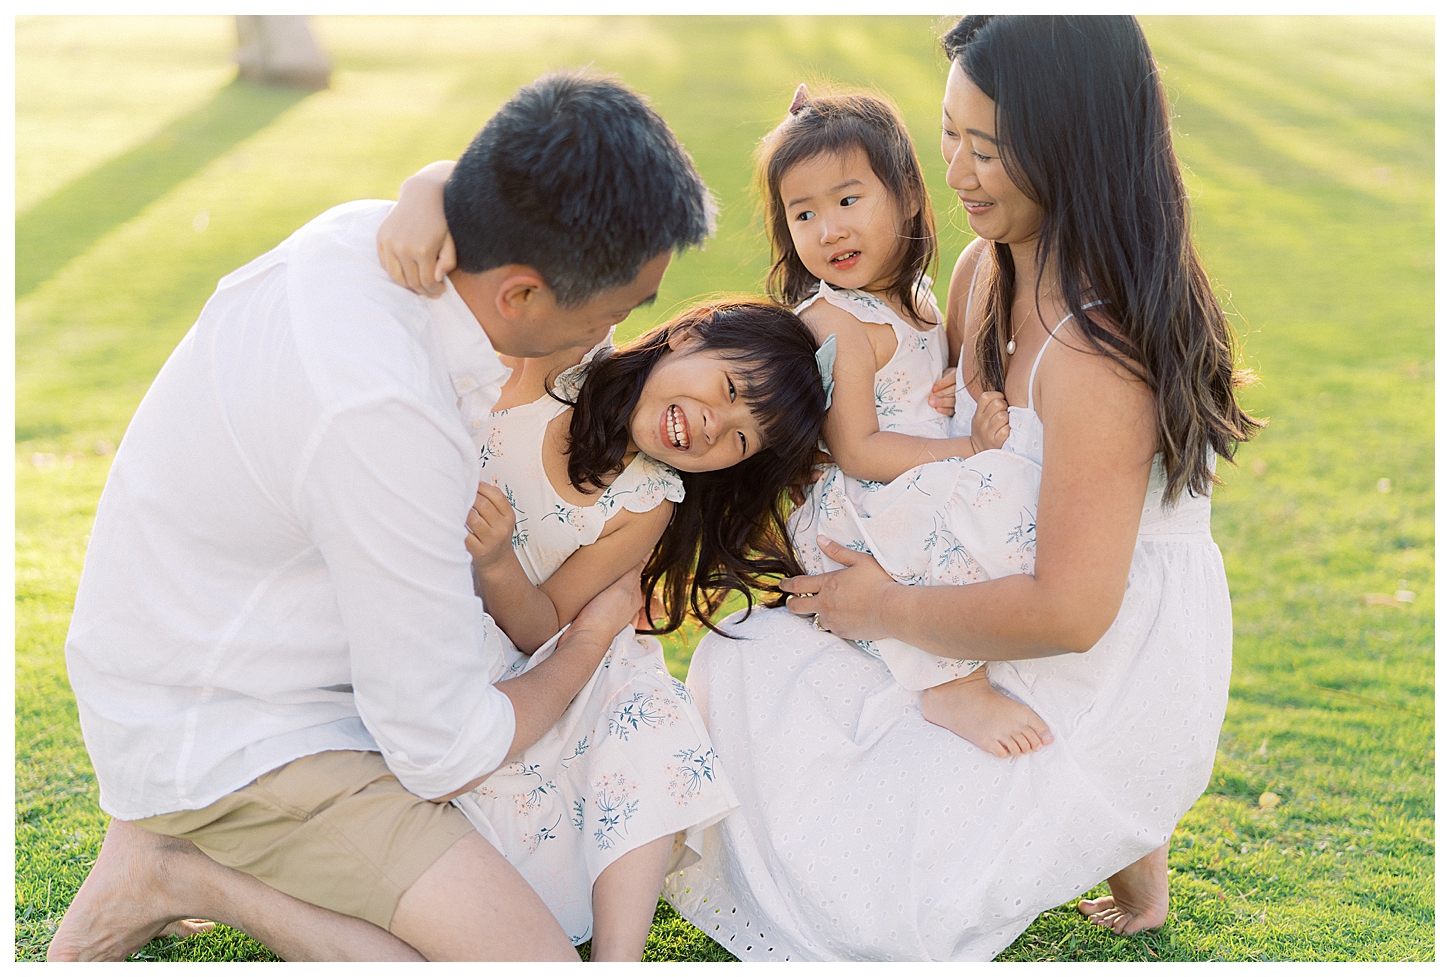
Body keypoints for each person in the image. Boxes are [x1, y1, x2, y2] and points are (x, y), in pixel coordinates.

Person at [49, 69, 717, 962]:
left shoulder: (386, 236)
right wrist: (589, 645)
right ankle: (176, 871)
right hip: (234, 730)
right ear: (521, 294)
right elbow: (444, 744)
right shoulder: (386, 419)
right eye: (617, 310)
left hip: (266, 658)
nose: (621, 333)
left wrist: (433, 182)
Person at [662, 14, 1260, 960]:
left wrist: (886, 606)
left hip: (1086, 653)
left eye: (989, 148)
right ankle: (1090, 815)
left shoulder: (1102, 355)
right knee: (744, 665)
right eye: (950, 134)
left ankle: (1122, 811)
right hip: (982, 588)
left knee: (886, 909)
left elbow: (1071, 611)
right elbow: (934, 435)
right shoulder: (987, 269)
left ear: (1075, 149)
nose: (957, 172)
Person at [450, 301, 826, 956]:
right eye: (729, 390)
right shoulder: (558, 365)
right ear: (686, 335)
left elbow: (538, 623)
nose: (714, 427)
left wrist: (497, 561)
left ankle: (617, 958)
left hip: (535, 657)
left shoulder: (647, 499)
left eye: (740, 439)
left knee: (648, 707)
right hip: (442, 619)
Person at [756, 82, 1052, 757]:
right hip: (855, 509)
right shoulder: (838, 320)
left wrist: (939, 392)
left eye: (848, 200)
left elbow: (911, 392)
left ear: (908, 196)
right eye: (803, 215)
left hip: (899, 486)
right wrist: (965, 450)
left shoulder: (915, 301)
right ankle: (949, 682)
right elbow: (858, 450)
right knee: (988, 489)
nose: (828, 229)